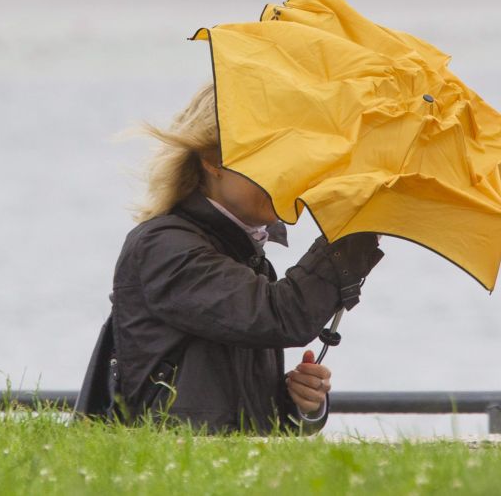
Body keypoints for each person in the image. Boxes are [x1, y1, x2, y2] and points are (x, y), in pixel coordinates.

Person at [76, 82, 383, 434]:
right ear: (212, 159)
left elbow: (234, 406)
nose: (286, 175)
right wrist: (353, 232)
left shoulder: (244, 255)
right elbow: (281, 316)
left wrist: (298, 404)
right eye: (268, 156)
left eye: (293, 158)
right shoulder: (163, 248)